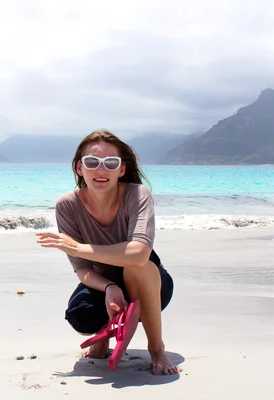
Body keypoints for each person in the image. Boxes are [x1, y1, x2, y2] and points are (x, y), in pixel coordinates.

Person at [36, 128, 181, 375]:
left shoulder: (137, 194)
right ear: (80, 168)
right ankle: (106, 334)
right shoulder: (67, 205)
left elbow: (139, 254)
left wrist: (78, 247)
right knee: (80, 316)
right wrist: (108, 287)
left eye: (110, 163)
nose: (100, 170)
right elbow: (82, 268)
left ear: (121, 169)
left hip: (150, 284)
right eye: (92, 162)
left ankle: (157, 348)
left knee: (135, 267)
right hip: (104, 279)